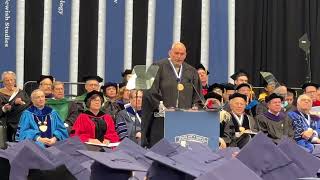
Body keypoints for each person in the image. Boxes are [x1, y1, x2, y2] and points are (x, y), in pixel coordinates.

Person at [147, 42, 202, 109]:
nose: (179, 56)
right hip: (162, 115)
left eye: (182, 54)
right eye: (176, 53)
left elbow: (198, 96)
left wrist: (195, 106)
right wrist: (159, 105)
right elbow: (149, 91)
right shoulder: (155, 67)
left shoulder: (192, 71)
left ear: (185, 55)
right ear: (170, 53)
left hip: (186, 116)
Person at [0, 71, 31, 141]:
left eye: (12, 80)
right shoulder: (0, 93)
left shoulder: (21, 92)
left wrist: (20, 103)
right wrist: (5, 108)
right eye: (7, 80)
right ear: (3, 82)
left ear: (15, 81)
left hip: (22, 117)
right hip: (8, 119)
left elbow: (28, 105)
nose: (10, 82)